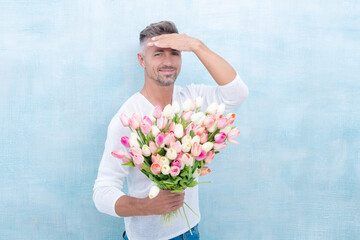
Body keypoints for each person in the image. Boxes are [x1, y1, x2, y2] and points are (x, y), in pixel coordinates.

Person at [93, 21, 249, 240]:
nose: (168, 62)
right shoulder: (128, 119)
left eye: (175, 53)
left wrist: (196, 45)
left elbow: (237, 93)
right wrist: (148, 206)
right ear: (142, 60)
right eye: (158, 54)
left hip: (191, 231)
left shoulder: (192, 102)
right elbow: (102, 192)